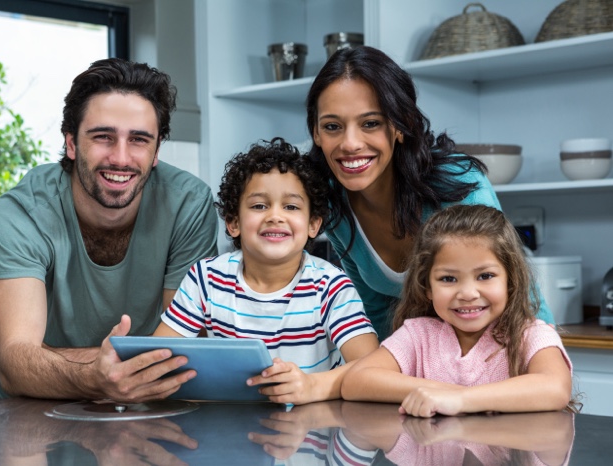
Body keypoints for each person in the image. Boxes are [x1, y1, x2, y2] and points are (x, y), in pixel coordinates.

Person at [0, 58, 219, 402]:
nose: (120, 158)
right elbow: (16, 369)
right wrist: (84, 373)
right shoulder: (21, 212)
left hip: (140, 410)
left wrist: (45, 356)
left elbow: (182, 351)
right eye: (104, 137)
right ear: (72, 144)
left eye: (138, 139)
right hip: (23, 415)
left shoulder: (187, 205)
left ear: (155, 152)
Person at [305, 45, 554, 340]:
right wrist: (383, 377)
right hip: (422, 363)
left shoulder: (455, 183)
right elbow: (374, 311)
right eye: (332, 126)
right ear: (317, 134)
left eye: (370, 123)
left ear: (400, 125)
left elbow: (514, 297)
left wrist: (537, 371)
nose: (350, 143)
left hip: (505, 353)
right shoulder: (333, 202)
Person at [152, 137, 379, 405]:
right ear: (233, 222)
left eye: (291, 207)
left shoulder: (331, 287)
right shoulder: (206, 279)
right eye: (259, 206)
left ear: (313, 225)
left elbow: (373, 368)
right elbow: (159, 358)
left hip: (315, 430)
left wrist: (310, 386)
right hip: (231, 430)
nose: (275, 216)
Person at [341, 205, 576, 417]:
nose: (467, 293)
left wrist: (461, 399)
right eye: (448, 278)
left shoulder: (531, 334)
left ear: (510, 281)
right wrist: (444, 392)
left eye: (485, 276)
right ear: (427, 287)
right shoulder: (418, 335)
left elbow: (555, 387)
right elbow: (356, 381)